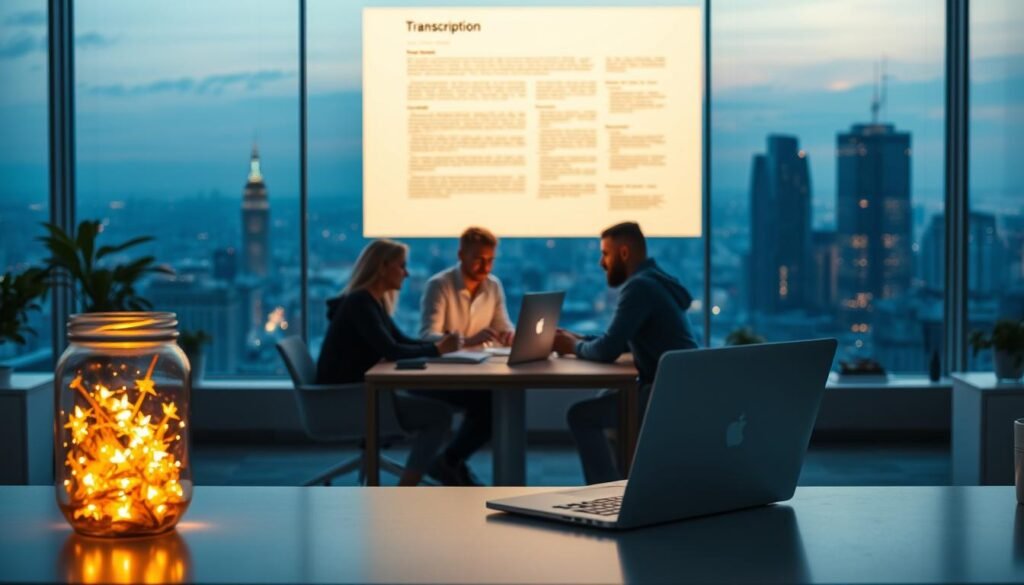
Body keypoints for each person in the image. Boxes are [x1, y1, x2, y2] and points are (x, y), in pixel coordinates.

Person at [553, 222, 698, 485]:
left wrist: (571, 347)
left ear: (623, 253)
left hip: (665, 394)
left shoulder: (639, 287)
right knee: (607, 396)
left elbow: (608, 349)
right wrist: (580, 339)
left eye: (605, 254)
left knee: (581, 416)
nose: (601, 263)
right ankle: (621, 485)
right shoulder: (656, 281)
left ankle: (604, 491)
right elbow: (620, 341)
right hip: (680, 389)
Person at [316, 239, 461, 486]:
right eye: (401, 266)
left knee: (437, 408)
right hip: (350, 400)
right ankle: (404, 490)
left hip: (355, 395)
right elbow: (392, 349)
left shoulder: (370, 302)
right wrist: (436, 348)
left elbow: (400, 341)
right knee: (439, 416)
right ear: (382, 267)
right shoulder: (361, 304)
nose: (407, 273)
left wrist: (438, 347)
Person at [417, 226, 515, 486]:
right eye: (478, 259)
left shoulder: (493, 286)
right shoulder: (439, 285)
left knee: (492, 401)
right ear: (461, 254)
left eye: (490, 260)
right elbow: (427, 336)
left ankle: (451, 462)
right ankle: (450, 461)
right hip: (441, 376)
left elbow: (503, 326)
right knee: (489, 405)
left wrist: (510, 336)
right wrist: (466, 341)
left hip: (476, 371)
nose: (485, 267)